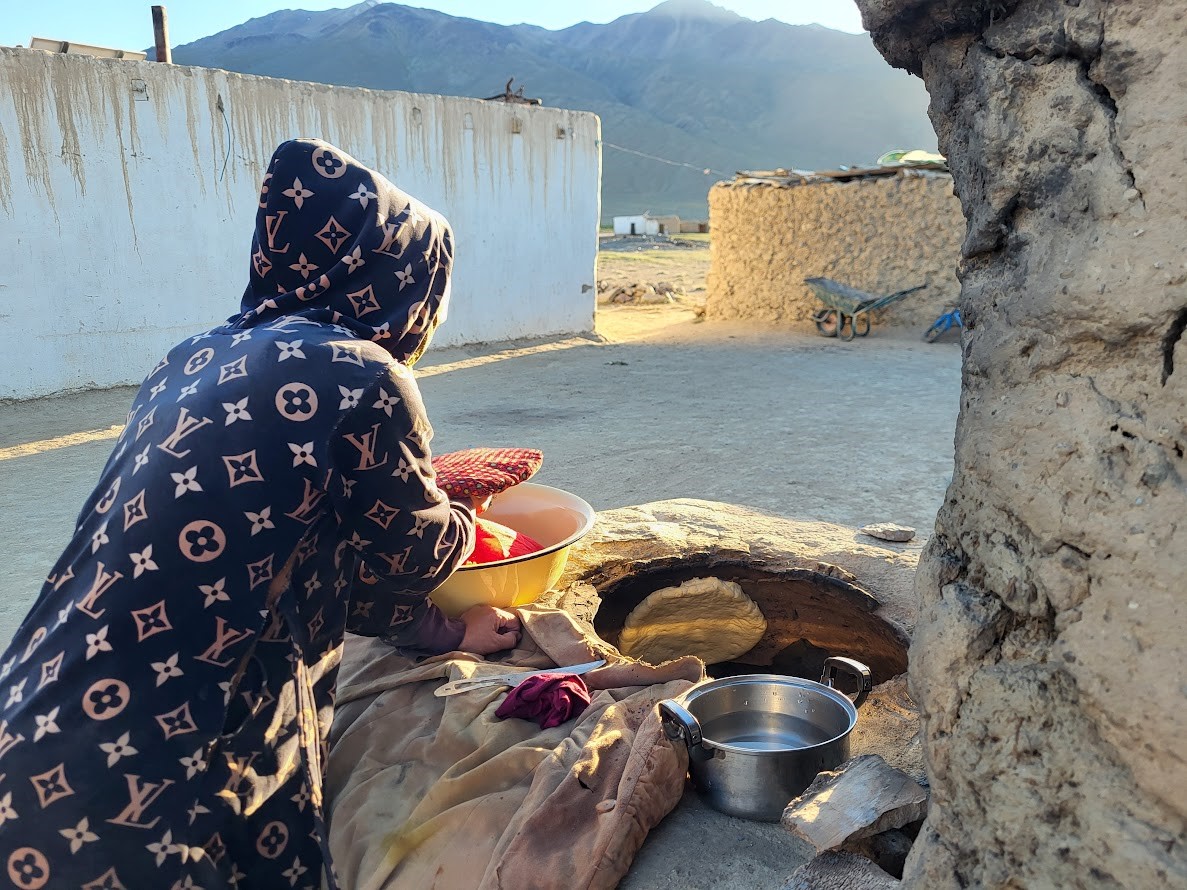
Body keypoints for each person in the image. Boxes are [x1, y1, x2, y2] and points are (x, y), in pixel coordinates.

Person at [0, 138, 521, 890]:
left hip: (40, 720)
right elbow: (402, 559)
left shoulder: (193, 355)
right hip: (154, 778)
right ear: (400, 278)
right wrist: (465, 514)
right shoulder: (363, 375)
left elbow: (298, 537)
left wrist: (440, 629)